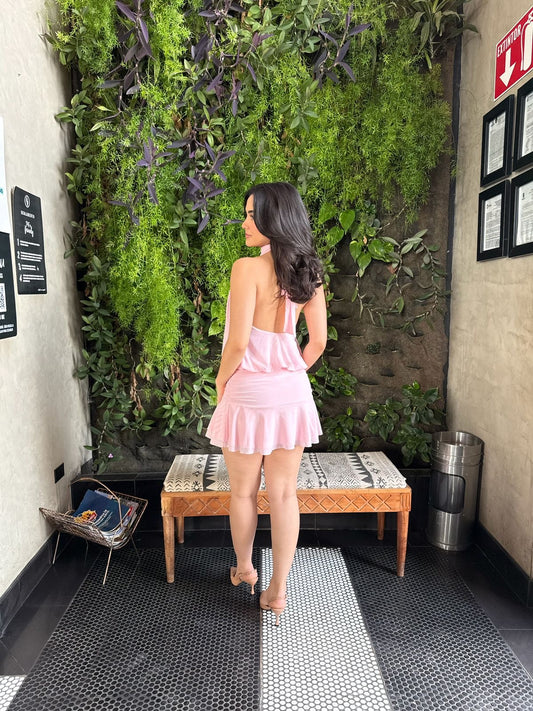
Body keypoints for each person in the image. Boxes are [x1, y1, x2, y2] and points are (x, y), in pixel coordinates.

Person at [206, 182, 327, 625]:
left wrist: (220, 381)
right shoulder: (309, 272)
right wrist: (289, 372)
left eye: (250, 215)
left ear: (273, 219)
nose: (243, 223)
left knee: (243, 491)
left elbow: (238, 344)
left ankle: (245, 568)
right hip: (292, 396)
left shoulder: (246, 269)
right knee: (284, 494)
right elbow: (318, 342)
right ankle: (278, 590)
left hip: (248, 394)